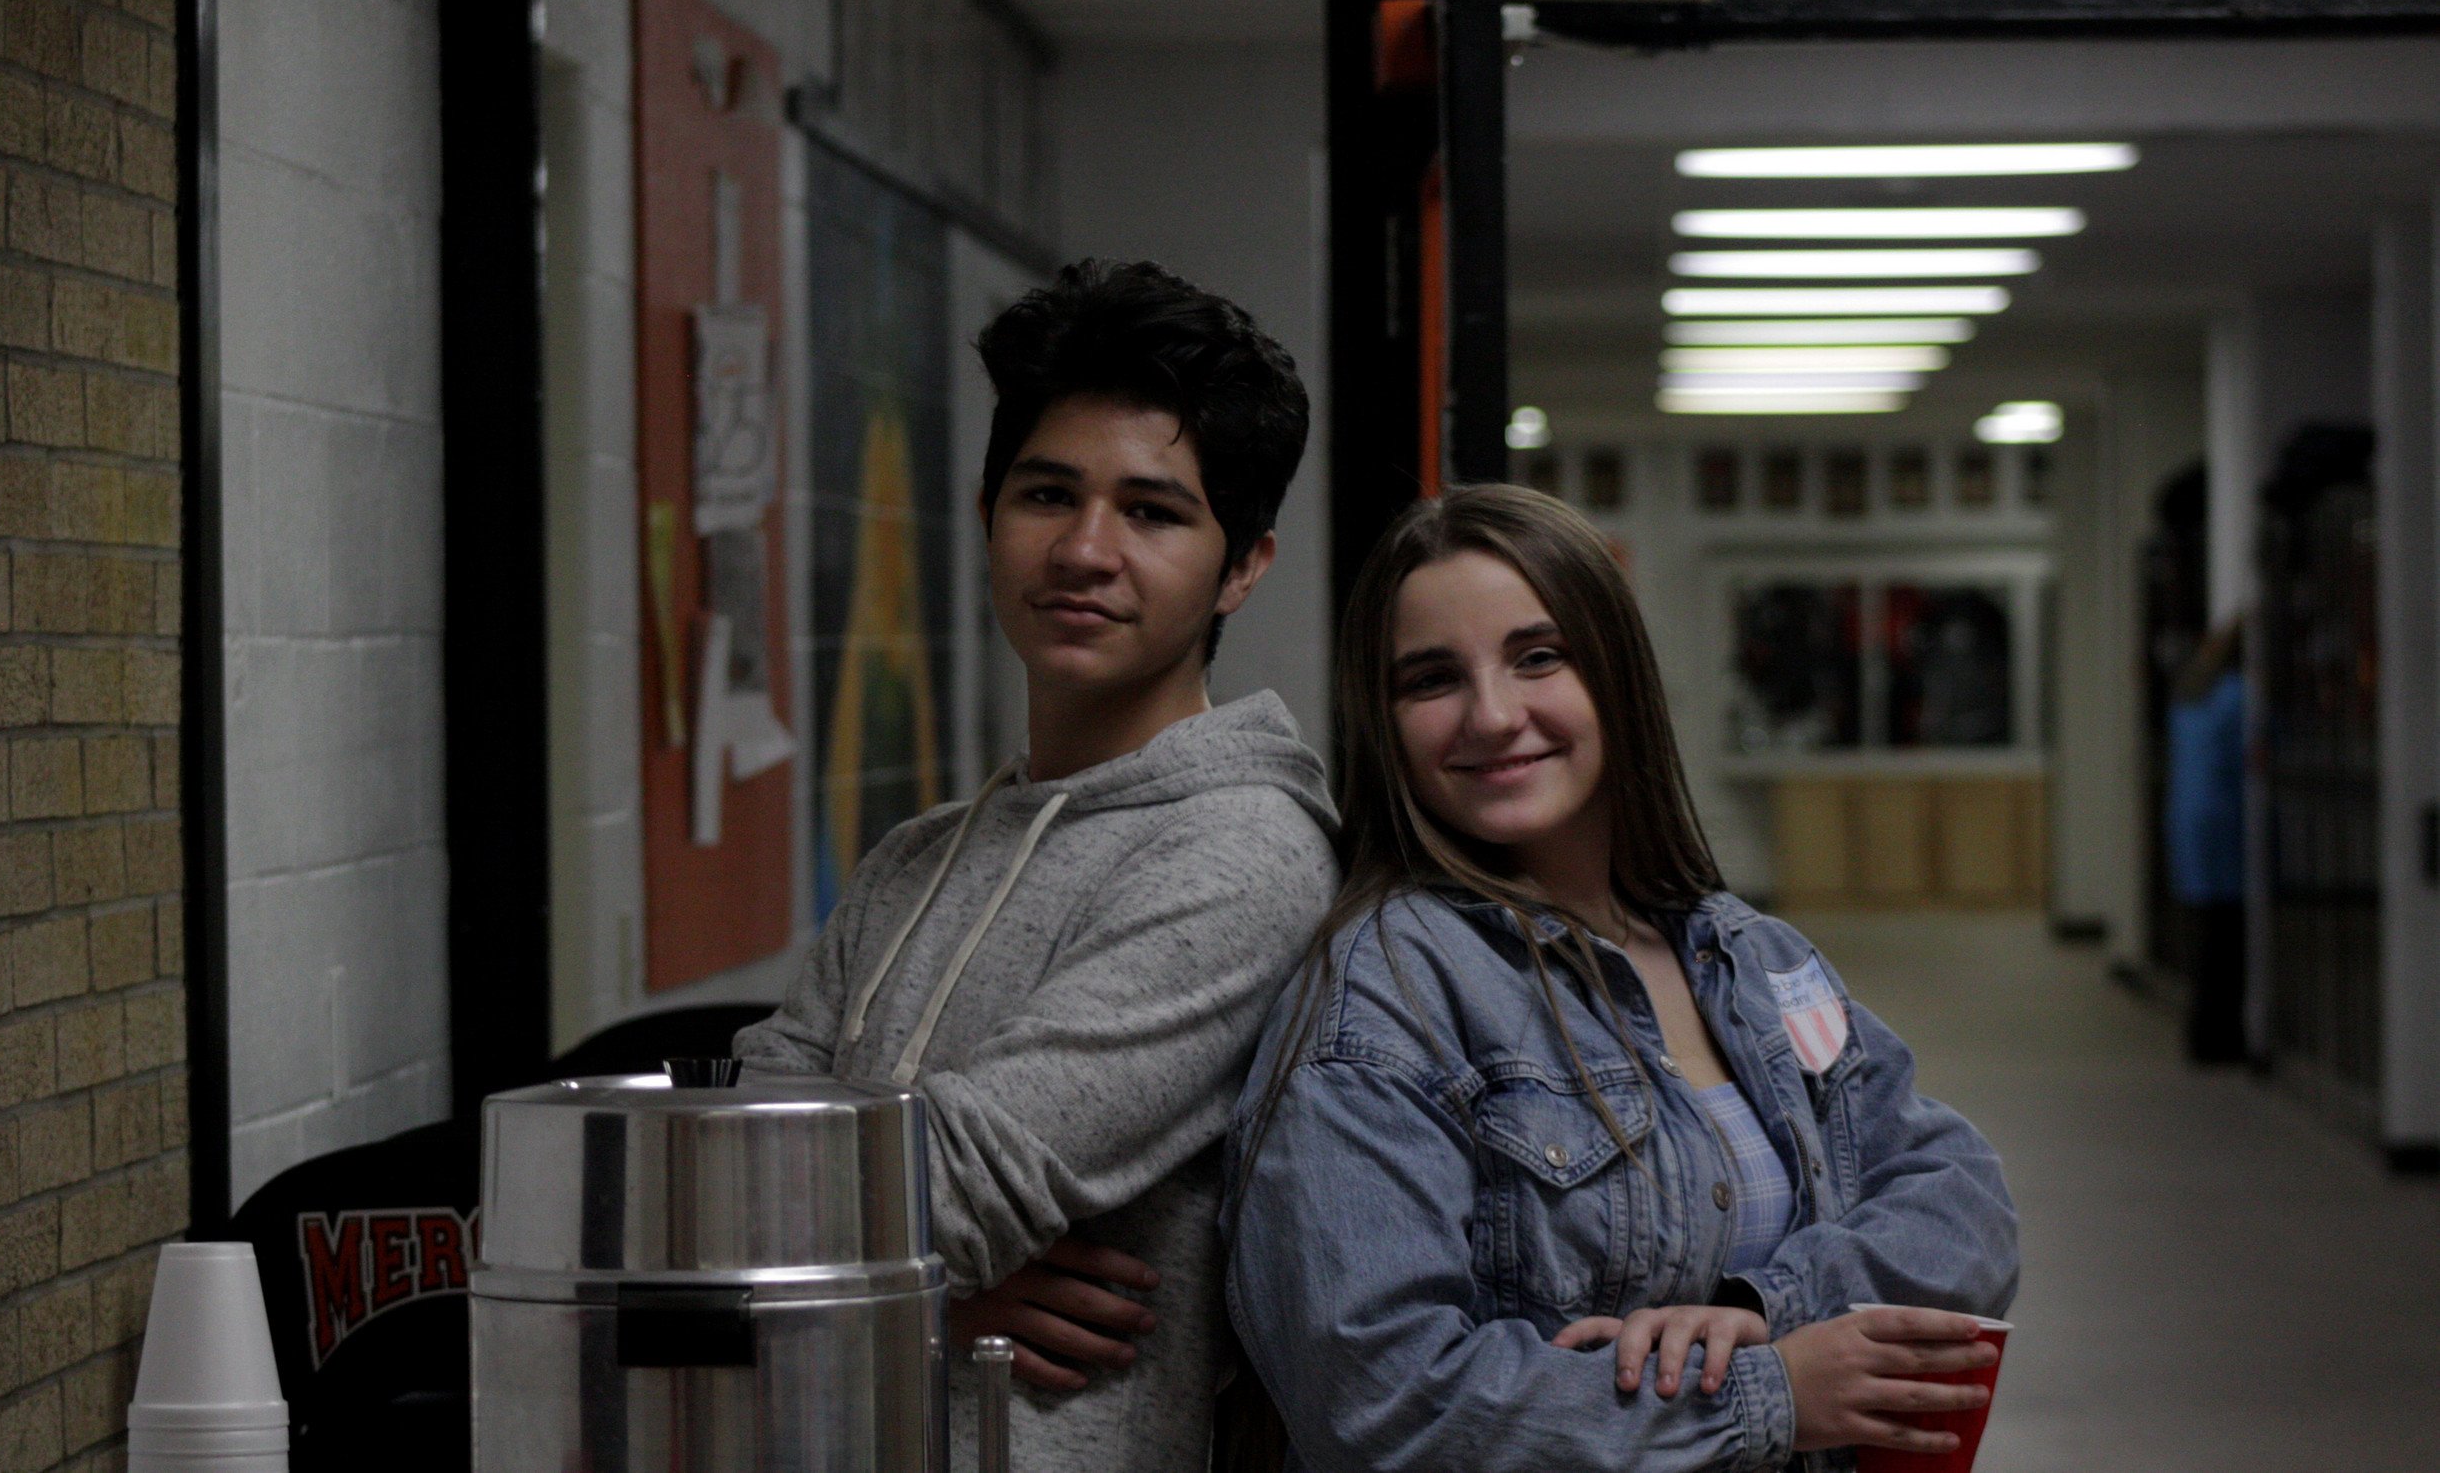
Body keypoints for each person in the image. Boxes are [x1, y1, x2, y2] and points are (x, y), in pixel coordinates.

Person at [1221, 485, 2018, 1473]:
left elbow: (1959, 1195)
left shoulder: (1746, 954)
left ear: (1617, 673)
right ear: (1382, 722)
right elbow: (1380, 1398)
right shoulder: (1388, 990)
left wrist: (1758, 1309)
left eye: (1537, 655)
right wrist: (1770, 1396)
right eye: (1431, 678)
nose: (1492, 713)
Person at [736, 260, 1339, 1473]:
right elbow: (725, 1142)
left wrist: (820, 1267)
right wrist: (920, 1306)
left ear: (1244, 564)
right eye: (1046, 492)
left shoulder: (1244, 853)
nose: (1083, 548)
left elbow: (957, 1181)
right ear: (985, 511)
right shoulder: (914, 857)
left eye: (1154, 511)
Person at [2166, 619, 2247, 1065]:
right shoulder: (2239, 696)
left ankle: (2202, 1031)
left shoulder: (2190, 695)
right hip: (2224, 825)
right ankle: (2222, 1037)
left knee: (2205, 933)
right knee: (2228, 937)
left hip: (2189, 820)